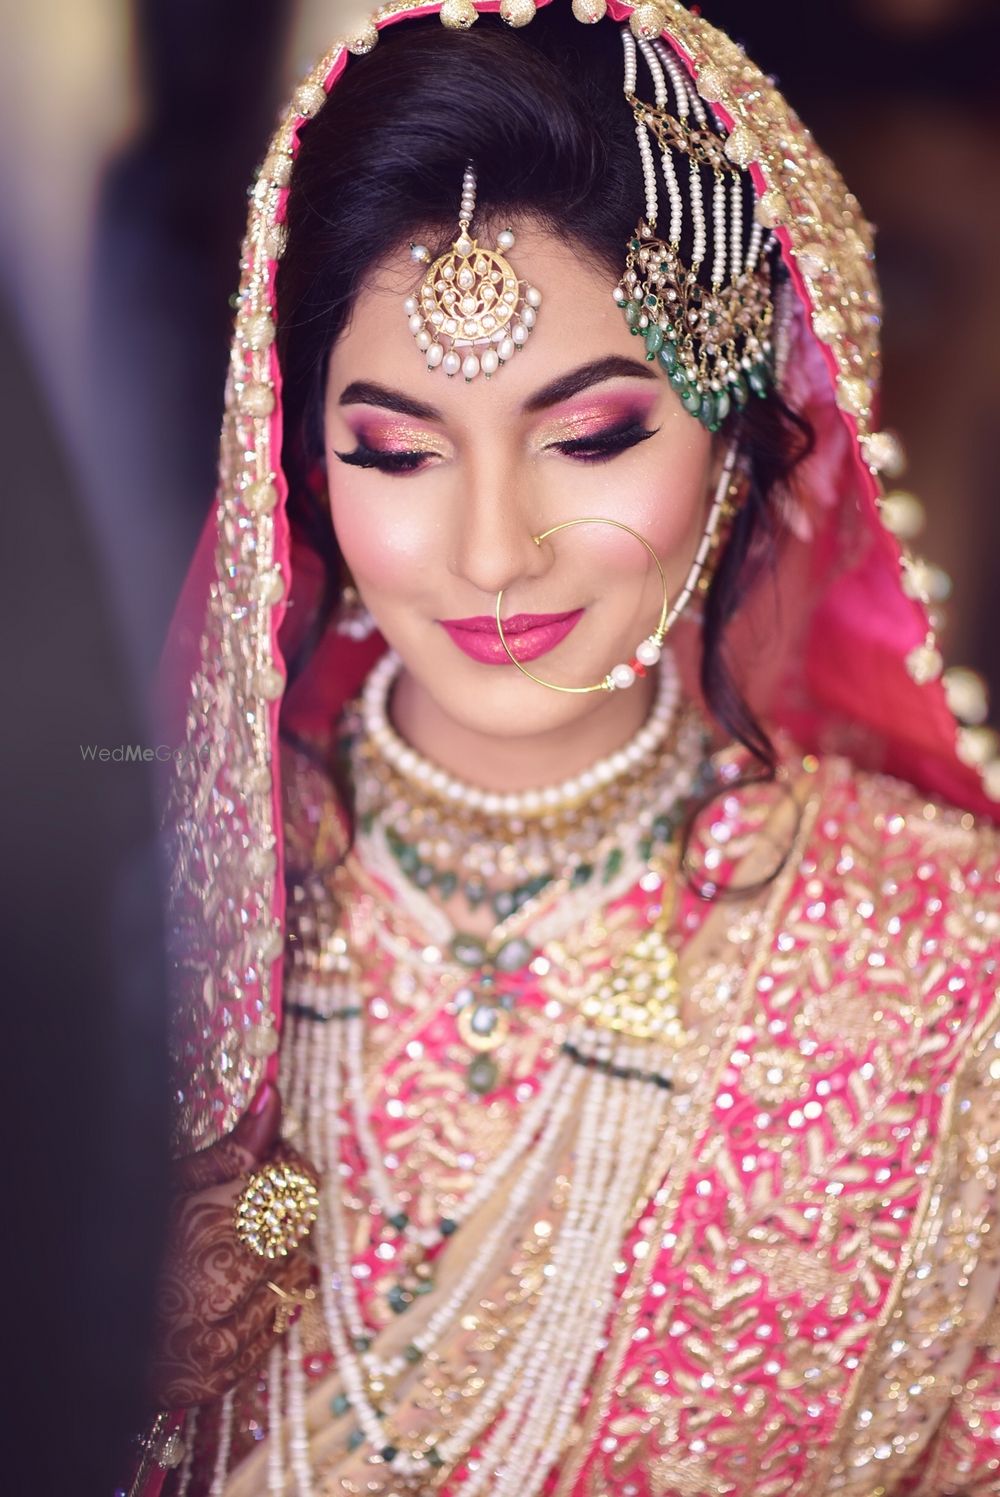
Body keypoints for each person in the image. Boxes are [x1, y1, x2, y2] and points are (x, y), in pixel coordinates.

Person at [137, 3, 1000, 1494]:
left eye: (591, 436)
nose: (491, 552)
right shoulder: (145, 926)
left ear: (743, 431)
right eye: (398, 451)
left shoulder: (939, 957)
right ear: (296, 459)